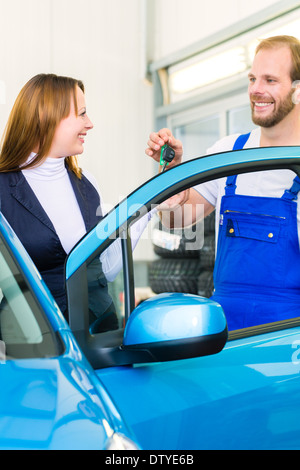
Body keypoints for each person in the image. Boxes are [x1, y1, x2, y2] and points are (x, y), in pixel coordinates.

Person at [146, 35, 300, 331]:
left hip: (288, 335)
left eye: (270, 80)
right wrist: (171, 174)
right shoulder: (228, 154)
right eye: (252, 78)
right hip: (226, 330)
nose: (256, 90)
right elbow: (176, 219)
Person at [0, 73, 151, 332]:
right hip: (33, 343)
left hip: (97, 334)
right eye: (81, 114)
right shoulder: (3, 189)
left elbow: (104, 269)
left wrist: (150, 204)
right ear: (47, 117)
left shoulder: (86, 183)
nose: (89, 124)